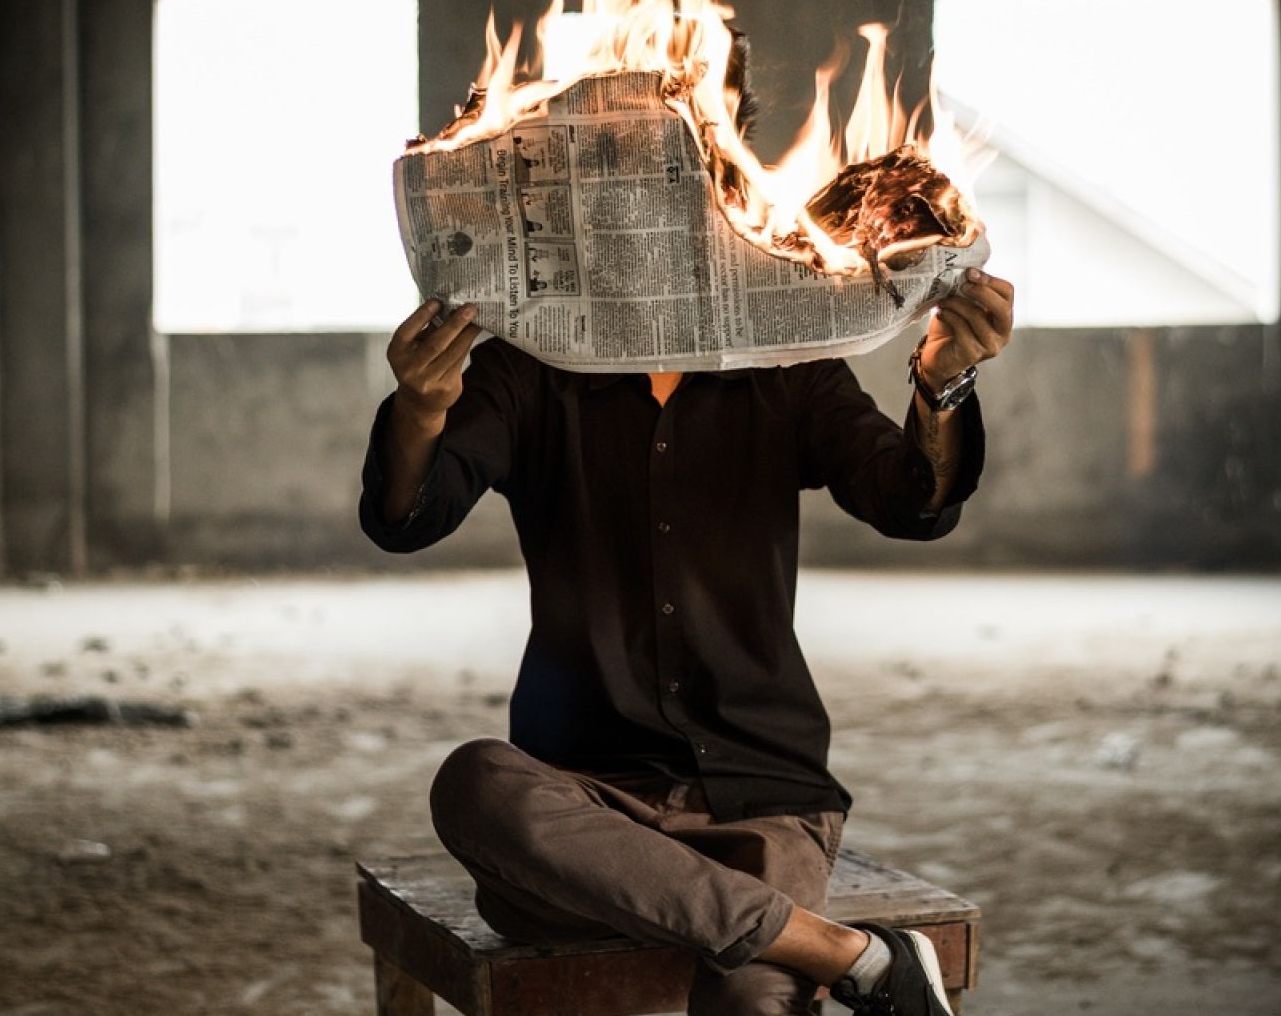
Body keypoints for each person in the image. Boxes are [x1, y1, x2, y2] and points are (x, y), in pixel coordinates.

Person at [358, 252, 1013, 1015]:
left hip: (762, 805)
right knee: (473, 783)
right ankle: (843, 952)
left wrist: (944, 381)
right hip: (591, 813)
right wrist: (422, 408)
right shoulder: (527, 371)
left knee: (753, 1003)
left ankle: (790, 939)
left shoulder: (787, 367)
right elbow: (406, 517)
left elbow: (911, 503)